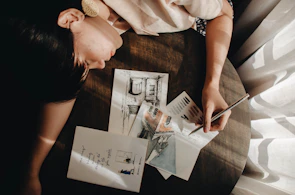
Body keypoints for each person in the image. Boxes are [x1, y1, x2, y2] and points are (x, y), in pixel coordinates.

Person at [2, 0, 233, 194]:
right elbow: (67, 87)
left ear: (71, 18)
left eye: (85, 62)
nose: (101, 65)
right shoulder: (85, 25)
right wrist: (31, 170)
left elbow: (224, 13)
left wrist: (212, 85)